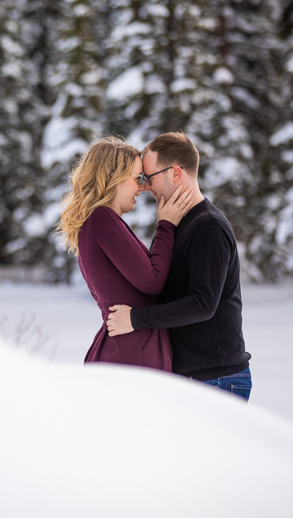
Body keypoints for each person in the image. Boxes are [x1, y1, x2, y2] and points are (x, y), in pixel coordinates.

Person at [105, 132, 253, 400]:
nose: (145, 188)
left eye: (148, 178)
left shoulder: (208, 226)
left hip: (215, 377)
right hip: (192, 376)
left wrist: (135, 319)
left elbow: (202, 304)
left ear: (175, 173)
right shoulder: (177, 223)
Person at [57, 137, 193, 370]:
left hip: (129, 346)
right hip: (132, 351)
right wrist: (166, 225)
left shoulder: (103, 222)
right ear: (114, 178)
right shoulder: (102, 219)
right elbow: (152, 281)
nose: (143, 187)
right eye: (137, 178)